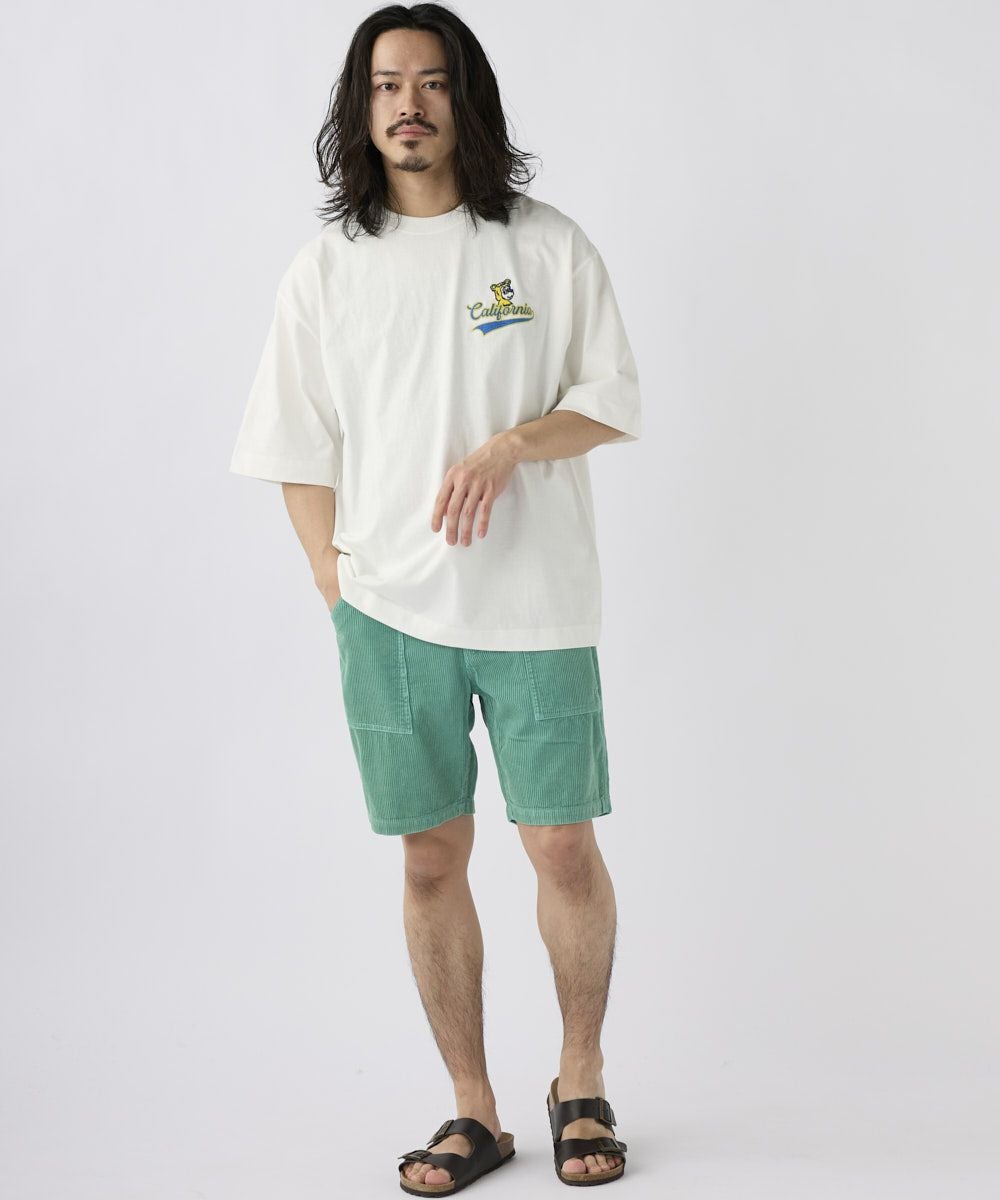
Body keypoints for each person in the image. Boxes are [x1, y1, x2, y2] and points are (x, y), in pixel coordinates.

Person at [230, 4, 640, 1192]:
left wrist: (511, 445)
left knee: (561, 847)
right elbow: (296, 443)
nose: (406, 104)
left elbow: (609, 399)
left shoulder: (545, 245)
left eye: (430, 82)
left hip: (537, 604)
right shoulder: (328, 268)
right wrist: (335, 583)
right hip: (388, 613)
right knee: (427, 858)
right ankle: (473, 1109)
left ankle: (580, 1078)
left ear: (467, 98)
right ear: (359, 110)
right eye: (384, 85)